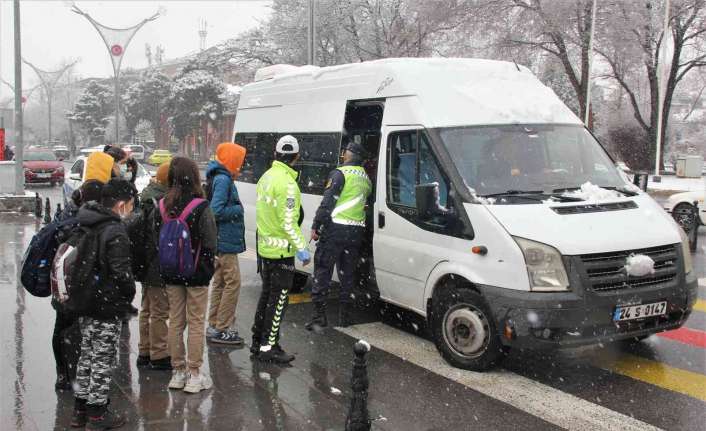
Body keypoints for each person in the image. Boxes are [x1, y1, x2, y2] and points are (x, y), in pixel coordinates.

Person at [69, 179, 137, 430]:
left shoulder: (89, 220)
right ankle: (97, 415)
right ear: (120, 204)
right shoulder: (114, 230)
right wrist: (127, 294)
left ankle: (80, 410)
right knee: (102, 358)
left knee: (87, 354)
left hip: (85, 298)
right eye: (130, 204)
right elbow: (122, 273)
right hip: (105, 302)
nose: (131, 209)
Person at [153, 157, 217, 394]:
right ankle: (195, 374)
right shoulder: (201, 206)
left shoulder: (162, 205)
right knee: (197, 323)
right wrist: (207, 266)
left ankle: (177, 372)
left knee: (176, 322)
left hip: (170, 272)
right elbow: (210, 241)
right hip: (196, 273)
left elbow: (154, 239)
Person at [52, 151, 114, 391]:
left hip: (63, 274)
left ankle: (63, 375)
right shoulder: (101, 197)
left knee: (63, 325)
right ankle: (80, 378)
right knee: (86, 331)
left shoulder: (78, 195)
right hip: (84, 277)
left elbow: (62, 231)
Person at [251, 135, 311, 364]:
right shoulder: (288, 184)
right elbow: (288, 223)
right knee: (279, 301)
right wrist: (302, 249)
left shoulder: (266, 177)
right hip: (282, 253)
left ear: (276, 154)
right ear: (296, 158)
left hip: (266, 249)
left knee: (267, 296)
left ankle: (258, 342)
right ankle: (269, 347)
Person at [306, 140, 372, 330]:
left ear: (350, 155)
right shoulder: (366, 178)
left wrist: (316, 225)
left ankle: (319, 318)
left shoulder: (340, 174)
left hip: (335, 230)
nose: (343, 154)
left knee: (322, 271)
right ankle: (345, 317)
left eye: (345, 152)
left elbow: (328, 202)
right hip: (356, 232)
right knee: (347, 275)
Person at [205, 142, 247, 346]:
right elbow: (215, 211)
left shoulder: (219, 177)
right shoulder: (223, 180)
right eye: (239, 161)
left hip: (221, 240)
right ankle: (222, 328)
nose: (241, 165)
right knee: (233, 283)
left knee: (221, 283)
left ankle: (214, 325)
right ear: (232, 160)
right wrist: (238, 210)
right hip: (225, 241)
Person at [133, 162, 172, 370]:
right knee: (159, 310)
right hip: (157, 262)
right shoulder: (161, 201)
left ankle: (144, 350)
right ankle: (159, 354)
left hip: (146, 262)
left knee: (147, 308)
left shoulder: (148, 196)